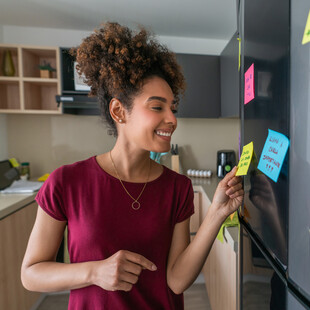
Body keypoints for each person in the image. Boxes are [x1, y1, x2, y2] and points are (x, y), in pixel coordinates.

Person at [21, 22, 244, 310]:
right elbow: (31, 273)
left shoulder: (177, 187)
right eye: (157, 107)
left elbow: (176, 281)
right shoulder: (66, 182)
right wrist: (94, 271)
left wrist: (216, 213)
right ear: (118, 111)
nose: (172, 119)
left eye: (173, 108)